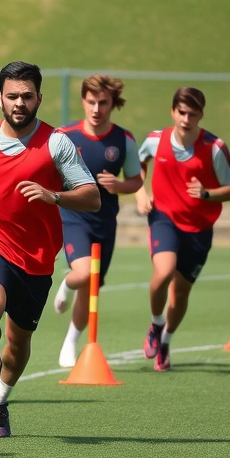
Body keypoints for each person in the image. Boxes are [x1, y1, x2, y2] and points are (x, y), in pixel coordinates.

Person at [0, 61, 99, 438]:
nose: (19, 103)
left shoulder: (56, 143)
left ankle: (0, 404)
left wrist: (54, 195)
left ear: (39, 99)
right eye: (12, 95)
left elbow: (92, 196)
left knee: (18, 343)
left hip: (36, 257)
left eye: (27, 96)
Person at [135, 87, 230, 371]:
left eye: (192, 114)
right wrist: (140, 193)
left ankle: (165, 342)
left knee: (181, 294)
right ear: (172, 111)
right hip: (164, 218)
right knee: (164, 272)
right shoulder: (156, 140)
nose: (186, 119)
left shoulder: (214, 147)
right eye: (181, 112)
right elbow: (137, 164)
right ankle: (156, 324)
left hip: (199, 228)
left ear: (201, 115)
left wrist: (207, 194)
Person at [52, 75, 143, 367]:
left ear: (112, 104)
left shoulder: (124, 140)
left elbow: (136, 180)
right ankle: (66, 284)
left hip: (105, 223)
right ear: (83, 101)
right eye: (91, 101)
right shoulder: (64, 136)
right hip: (73, 218)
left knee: (91, 288)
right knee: (83, 274)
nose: (96, 109)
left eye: (103, 103)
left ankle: (71, 342)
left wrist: (119, 185)